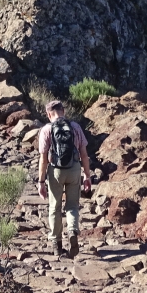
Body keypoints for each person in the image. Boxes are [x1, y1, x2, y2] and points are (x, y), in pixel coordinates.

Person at [37, 99, 91, 258]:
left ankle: (57, 245)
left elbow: (43, 159)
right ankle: (73, 231)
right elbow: (84, 155)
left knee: (54, 207)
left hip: (55, 172)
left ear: (48, 114)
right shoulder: (75, 127)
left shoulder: (46, 130)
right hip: (74, 169)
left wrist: (41, 182)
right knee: (72, 206)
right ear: (63, 111)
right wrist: (87, 176)